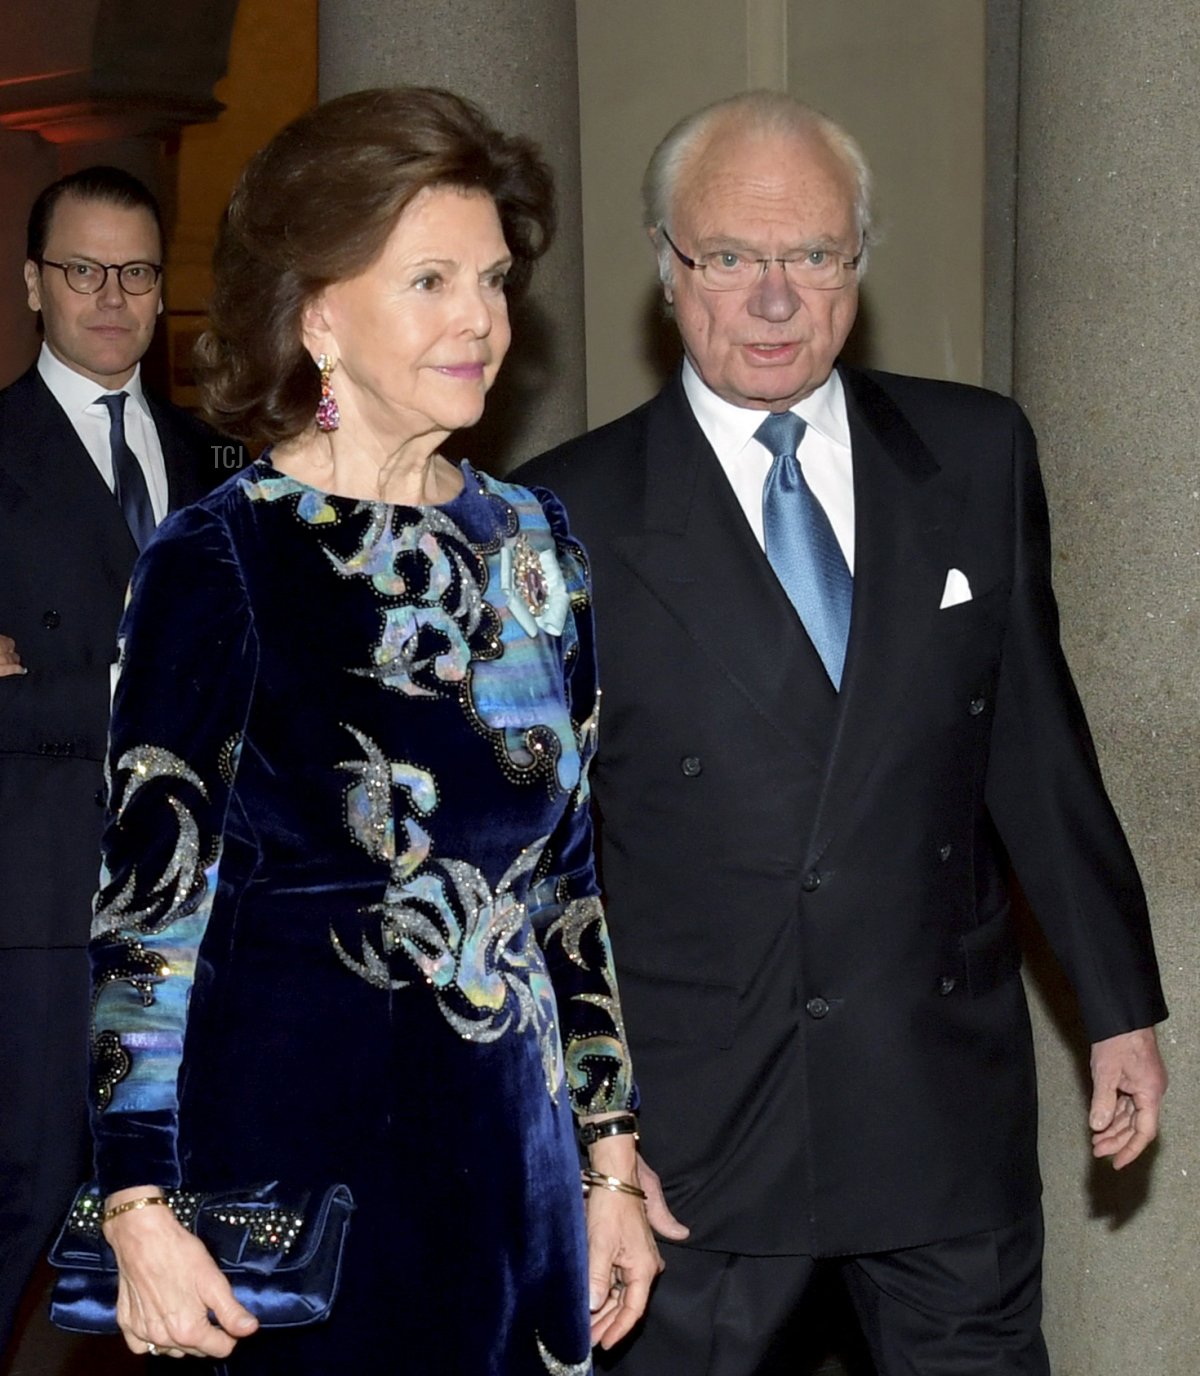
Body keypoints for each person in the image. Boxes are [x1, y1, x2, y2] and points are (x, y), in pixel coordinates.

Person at [518, 90, 1168, 1375]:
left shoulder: (974, 453)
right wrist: (590, 1132)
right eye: (731, 256)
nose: (774, 297)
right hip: (696, 1134)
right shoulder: (561, 513)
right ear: (667, 269)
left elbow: (1034, 746)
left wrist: (1117, 1003)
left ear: (859, 265)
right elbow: (543, 864)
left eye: (812, 254)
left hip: (936, 1096)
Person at [87, 87, 659, 1374]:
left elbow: (568, 884)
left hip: (514, 1169)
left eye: (493, 279)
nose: (481, 318)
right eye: (430, 281)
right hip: (298, 1176)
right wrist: (137, 1205)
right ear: (317, 314)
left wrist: (612, 1158)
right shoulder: (221, 558)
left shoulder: (537, 545)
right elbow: (147, 908)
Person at [0, 166, 236, 1353]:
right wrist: (126, 690)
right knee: (24, 1203)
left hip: (212, 914)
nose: (111, 296)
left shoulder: (218, 462)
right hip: (43, 914)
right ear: (32, 284)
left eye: (136, 271)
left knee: (215, 1221)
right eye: (83, 269)